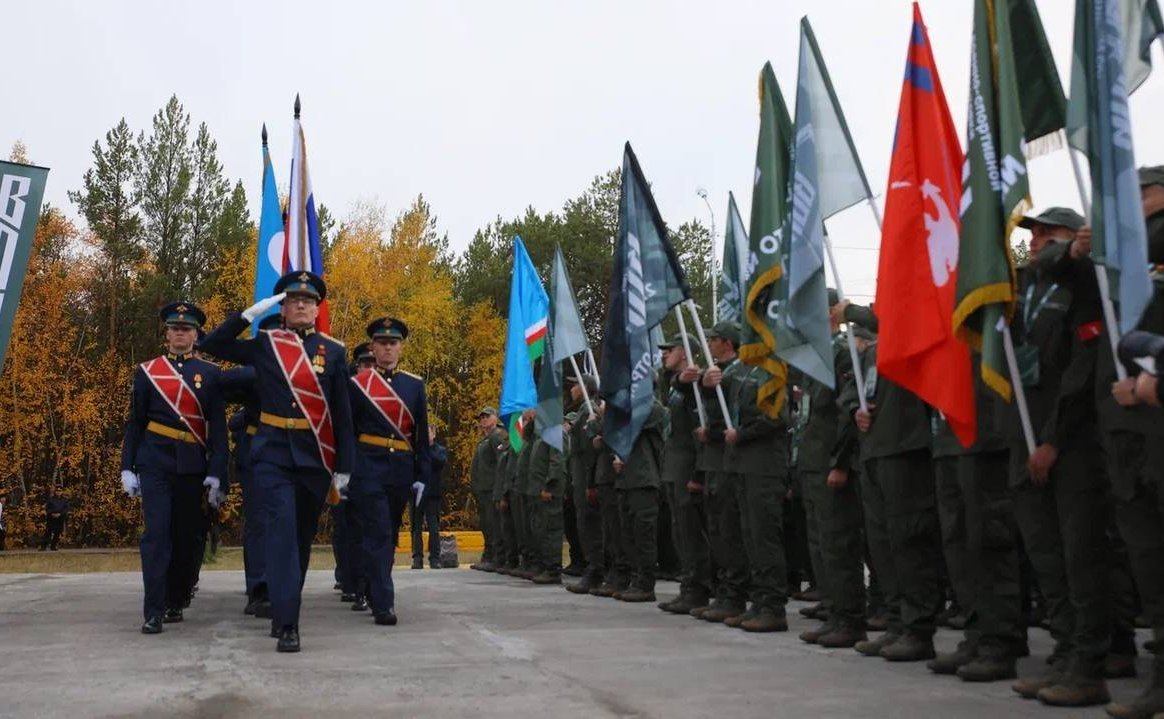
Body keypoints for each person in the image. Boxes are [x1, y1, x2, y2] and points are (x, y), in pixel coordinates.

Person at [197, 272, 354, 652]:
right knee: (281, 533)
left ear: (317, 309)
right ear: (282, 307)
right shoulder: (266, 344)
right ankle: (288, 623)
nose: (301, 305)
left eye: (308, 300)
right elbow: (214, 342)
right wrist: (251, 313)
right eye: (292, 299)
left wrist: (344, 466)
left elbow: (341, 412)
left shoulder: (333, 352)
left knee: (299, 539)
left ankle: (287, 604)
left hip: (314, 456)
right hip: (271, 454)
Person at [121, 301, 227, 635]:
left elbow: (218, 429)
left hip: (193, 464)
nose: (180, 333)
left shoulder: (210, 374)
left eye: (186, 329)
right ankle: (153, 610)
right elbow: (135, 423)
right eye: (174, 328)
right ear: (166, 333)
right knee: (156, 535)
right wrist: (128, 466)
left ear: (196, 335)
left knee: (187, 538)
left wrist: (217, 472)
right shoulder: (148, 372)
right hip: (155, 462)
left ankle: (176, 597)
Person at [346, 316, 431, 626]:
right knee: (378, 532)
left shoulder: (414, 385)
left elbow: (420, 435)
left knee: (388, 533)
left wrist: (423, 475)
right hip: (368, 467)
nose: (388, 348)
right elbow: (348, 430)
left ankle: (371, 583)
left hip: (401, 470)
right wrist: (346, 470)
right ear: (373, 347)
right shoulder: (357, 385)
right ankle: (384, 603)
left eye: (393, 343)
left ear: (401, 347)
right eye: (382, 343)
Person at [656, 335, 713, 616]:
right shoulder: (676, 385)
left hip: (687, 468)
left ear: (687, 352)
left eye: (671, 349)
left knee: (692, 532)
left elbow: (699, 431)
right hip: (673, 467)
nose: (665, 353)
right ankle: (688, 586)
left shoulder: (696, 386)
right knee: (680, 531)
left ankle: (698, 589)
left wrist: (697, 473)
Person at [565, 376, 606, 595]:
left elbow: (589, 450)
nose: (571, 389)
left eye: (575, 384)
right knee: (584, 523)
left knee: (590, 523)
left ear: (585, 388)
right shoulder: (583, 410)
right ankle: (594, 568)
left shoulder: (589, 410)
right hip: (580, 475)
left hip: (588, 476)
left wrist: (590, 481)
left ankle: (596, 569)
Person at [469, 407, 506, 572]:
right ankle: (488, 555)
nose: (483, 420)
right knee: (486, 524)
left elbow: (501, 463)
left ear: (495, 418)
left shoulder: (497, 436)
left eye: (487, 416)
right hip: (482, 489)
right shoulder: (485, 439)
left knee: (493, 524)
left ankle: (496, 557)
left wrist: (500, 489)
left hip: (491, 488)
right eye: (481, 417)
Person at [411, 425, 446, 569]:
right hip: (416, 494)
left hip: (433, 494)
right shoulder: (415, 450)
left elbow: (439, 462)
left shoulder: (439, 450)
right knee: (416, 527)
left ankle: (435, 558)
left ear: (434, 434)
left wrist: (426, 452)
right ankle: (417, 558)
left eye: (428, 432)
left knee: (433, 527)